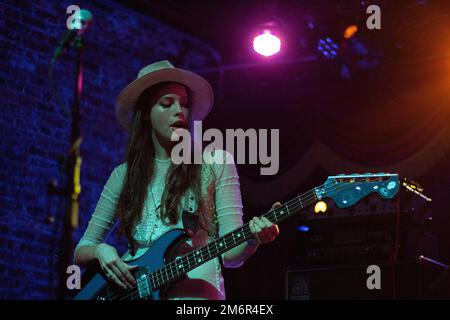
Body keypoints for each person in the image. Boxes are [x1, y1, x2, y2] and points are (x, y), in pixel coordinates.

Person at [74, 60, 280, 300]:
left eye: (184, 103)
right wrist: (101, 250)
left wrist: (253, 239)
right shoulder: (123, 174)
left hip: (197, 296)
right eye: (166, 103)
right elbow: (81, 250)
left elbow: (231, 256)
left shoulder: (216, 162)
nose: (179, 111)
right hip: (133, 291)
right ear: (147, 114)